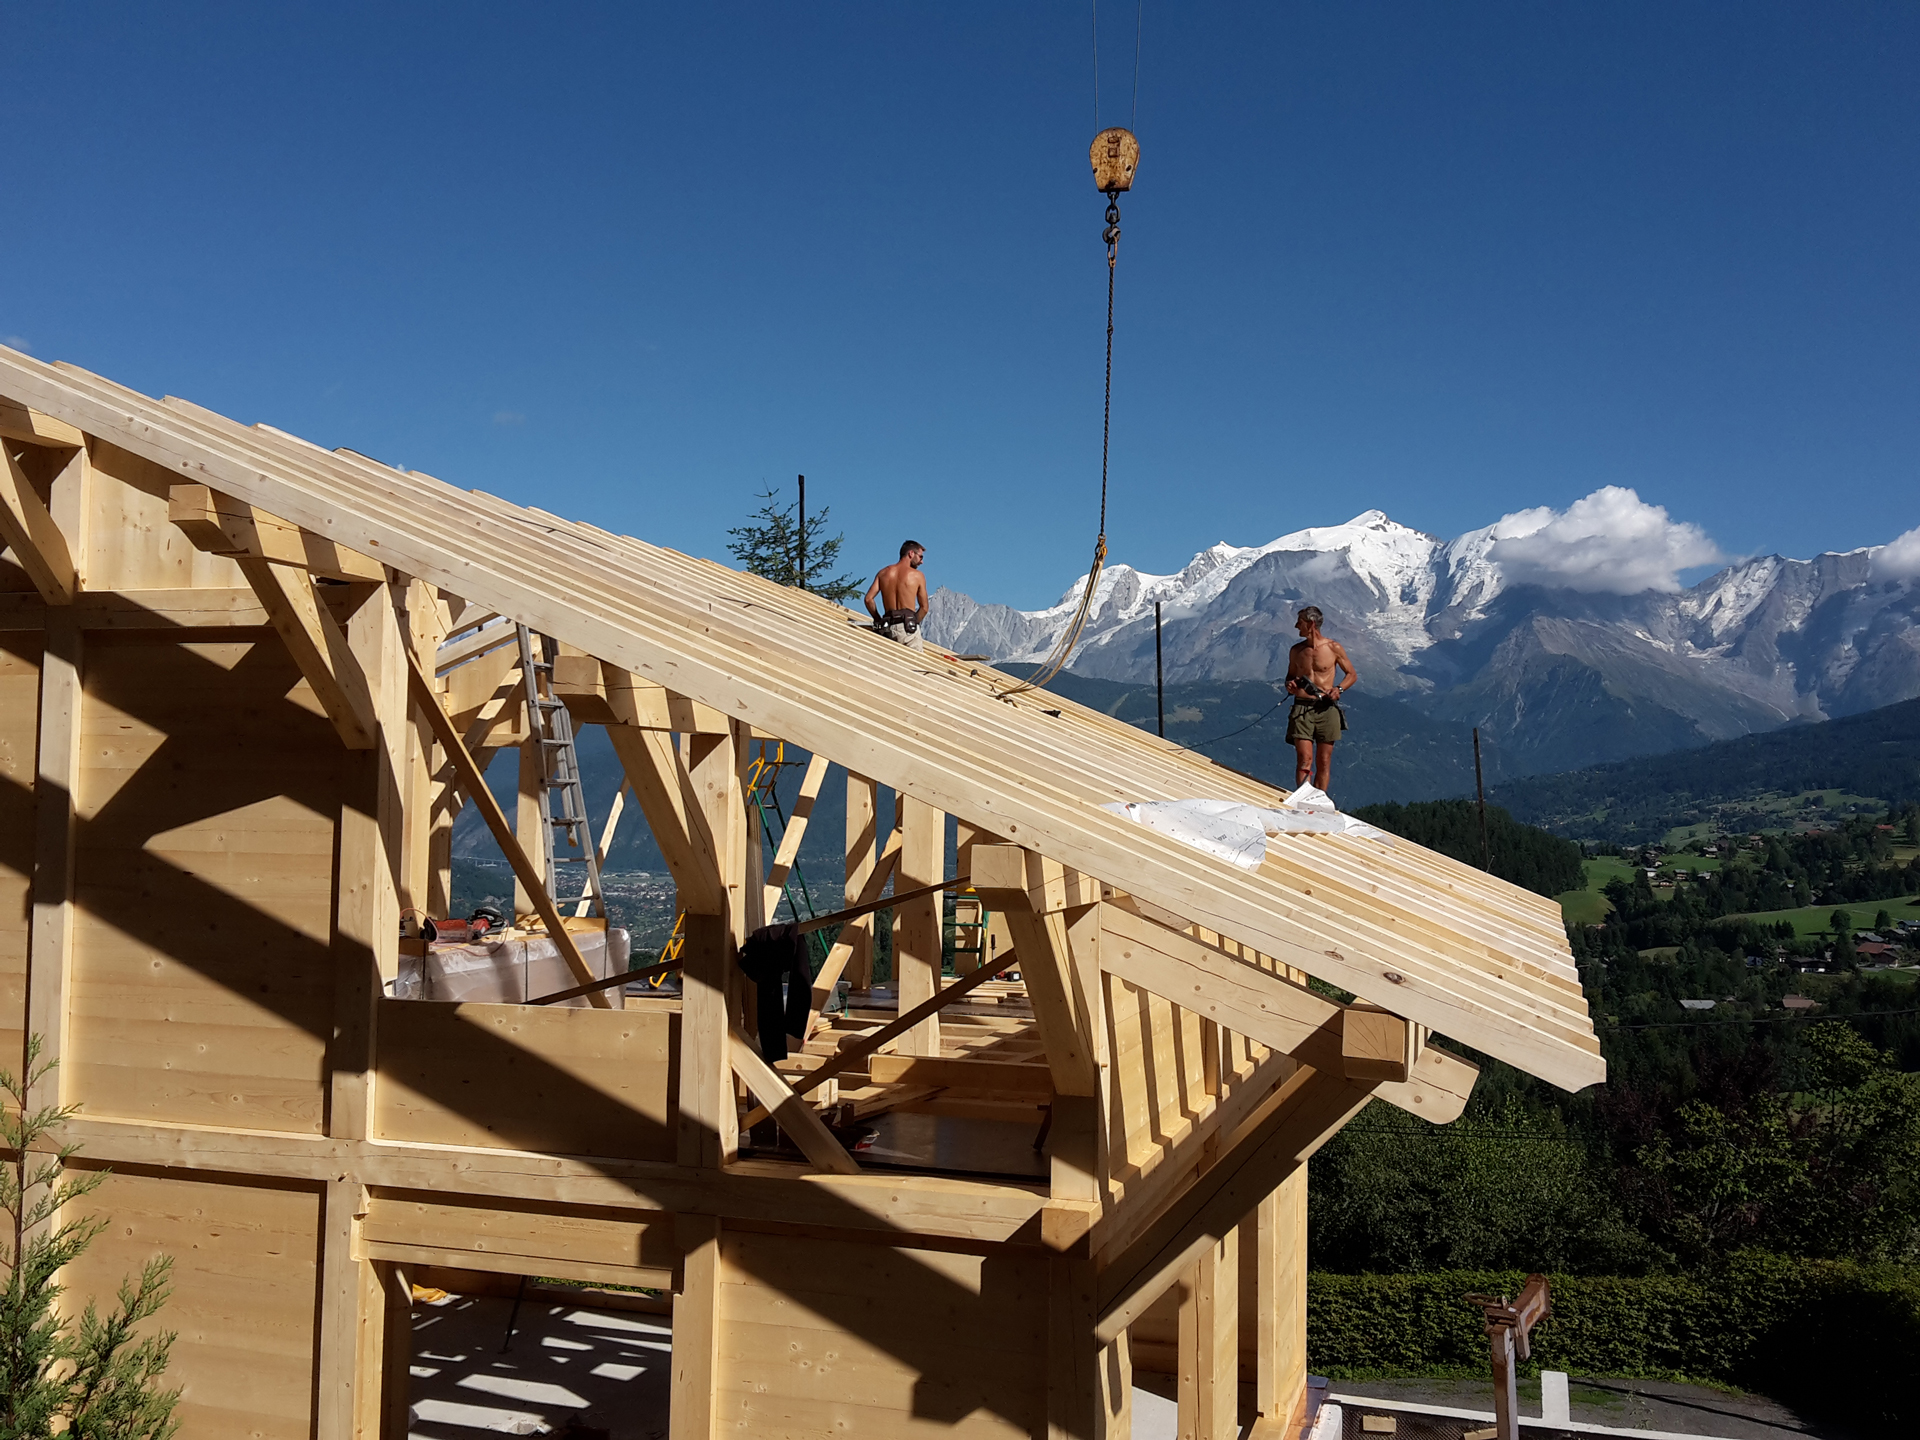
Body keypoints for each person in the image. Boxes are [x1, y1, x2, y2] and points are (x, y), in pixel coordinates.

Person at [1284, 605, 1357, 793]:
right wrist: (1290, 685)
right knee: (1304, 759)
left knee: (1324, 760)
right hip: (1302, 708)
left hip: (1326, 708)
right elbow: (1290, 677)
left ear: (1311, 623)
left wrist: (1339, 689)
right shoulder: (1296, 651)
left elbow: (1351, 674)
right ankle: (1302, 797)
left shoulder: (1333, 648)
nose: (1295, 626)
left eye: (1299, 622)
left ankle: (1319, 800)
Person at [865, 540, 928, 649]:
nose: (921, 562)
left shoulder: (883, 573)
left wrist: (877, 618)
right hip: (908, 630)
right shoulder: (917, 576)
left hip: (887, 627)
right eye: (920, 557)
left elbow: (868, 599)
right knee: (913, 664)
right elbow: (924, 608)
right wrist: (912, 623)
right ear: (911, 554)